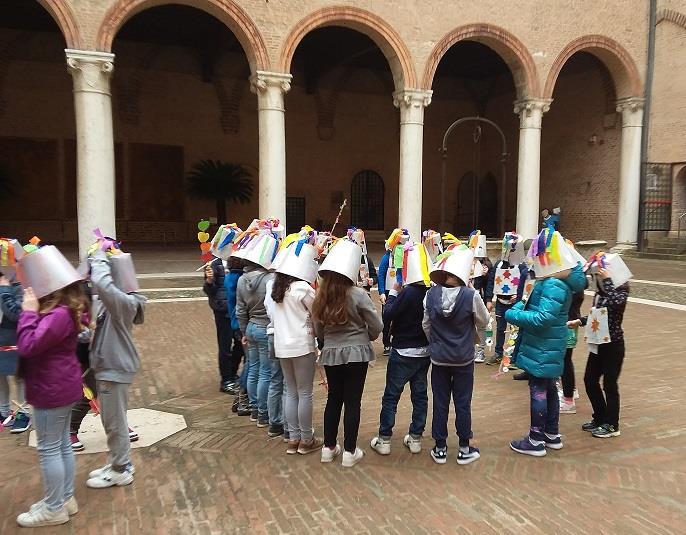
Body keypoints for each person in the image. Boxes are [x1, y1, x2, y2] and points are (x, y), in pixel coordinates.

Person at [14, 244, 88, 527]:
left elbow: (29, 345)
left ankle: (54, 506)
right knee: (60, 446)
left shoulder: (58, 314)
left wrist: (29, 313)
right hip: (60, 385)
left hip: (51, 388)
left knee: (49, 448)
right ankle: (64, 498)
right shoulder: (66, 309)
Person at [505, 229, 586, 457]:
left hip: (543, 345)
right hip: (546, 344)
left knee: (539, 390)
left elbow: (543, 318)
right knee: (548, 389)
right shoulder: (557, 281)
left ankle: (536, 439)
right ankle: (551, 434)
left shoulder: (553, 284)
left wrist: (514, 315)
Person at [313, 239, 383, 468]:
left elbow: (318, 328)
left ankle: (328, 447)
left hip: (332, 352)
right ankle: (350, 451)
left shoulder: (321, 295)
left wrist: (327, 342)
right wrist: (368, 337)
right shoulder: (358, 294)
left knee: (333, 399)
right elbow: (376, 324)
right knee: (353, 401)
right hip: (357, 353)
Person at [422, 245, 489, 465]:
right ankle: (464, 447)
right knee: (463, 402)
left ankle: (440, 447)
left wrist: (436, 342)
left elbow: (426, 325)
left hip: (439, 357)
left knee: (440, 401)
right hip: (463, 357)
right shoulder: (471, 295)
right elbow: (484, 320)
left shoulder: (430, 295)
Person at [86, 247, 146, 488]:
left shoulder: (124, 302)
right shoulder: (120, 301)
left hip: (114, 368)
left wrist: (99, 257)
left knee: (114, 422)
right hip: (110, 365)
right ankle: (116, 462)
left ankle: (121, 468)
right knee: (112, 420)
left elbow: (103, 285)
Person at [371, 241, 431, 456]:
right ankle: (415, 437)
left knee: (391, 396)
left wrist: (394, 294)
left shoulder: (409, 292)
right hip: (424, 352)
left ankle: (384, 439)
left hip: (403, 351)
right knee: (420, 396)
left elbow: (388, 315)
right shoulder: (430, 292)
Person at [266, 242, 322, 453]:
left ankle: (293, 437)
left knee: (291, 392)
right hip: (302, 344)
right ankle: (306, 439)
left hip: (282, 345)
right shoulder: (302, 288)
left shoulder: (276, 288)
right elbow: (318, 313)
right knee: (304, 392)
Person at [574, 253, 630, 438]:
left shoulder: (621, 290)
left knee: (610, 384)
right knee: (589, 380)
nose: (597, 279)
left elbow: (615, 305)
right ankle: (600, 417)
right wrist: (580, 321)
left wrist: (607, 282)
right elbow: (598, 315)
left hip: (613, 344)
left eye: (599, 275)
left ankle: (613, 424)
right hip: (598, 342)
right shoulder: (600, 293)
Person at [235, 229, 278, 428]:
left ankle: (253, 408)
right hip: (265, 327)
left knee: (253, 368)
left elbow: (240, 309)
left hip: (251, 326)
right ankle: (263, 412)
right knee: (266, 372)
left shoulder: (242, 280)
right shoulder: (271, 279)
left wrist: (244, 331)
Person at [483, 233, 530, 367]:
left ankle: (513, 355)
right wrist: (488, 299)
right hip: (500, 303)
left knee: (515, 329)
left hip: (515, 304)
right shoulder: (498, 265)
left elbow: (526, 284)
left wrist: (520, 298)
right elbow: (491, 282)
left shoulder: (521, 267)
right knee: (500, 328)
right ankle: (498, 353)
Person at [0, 260, 31, 434]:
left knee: (19, 377)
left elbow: (16, 314)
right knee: (0, 376)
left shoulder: (20, 285)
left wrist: (4, 289)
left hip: (15, 340)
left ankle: (23, 413)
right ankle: (3, 412)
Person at [203, 253, 236, 394]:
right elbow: (208, 290)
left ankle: (232, 372)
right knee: (225, 346)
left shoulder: (237, 262)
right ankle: (226, 380)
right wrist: (209, 280)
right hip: (222, 312)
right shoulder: (214, 265)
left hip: (235, 310)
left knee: (240, 344)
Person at [377, 229, 408, 356]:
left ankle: (398, 340)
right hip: (389, 292)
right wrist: (382, 292)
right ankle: (386, 342)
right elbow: (381, 275)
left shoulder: (406, 257)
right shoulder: (386, 257)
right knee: (387, 318)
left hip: (402, 292)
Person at [469, 232, 492, 363]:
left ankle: (481, 350)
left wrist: (488, 300)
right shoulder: (466, 262)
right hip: (467, 296)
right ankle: (471, 349)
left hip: (479, 296)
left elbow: (490, 284)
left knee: (482, 325)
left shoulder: (487, 264)